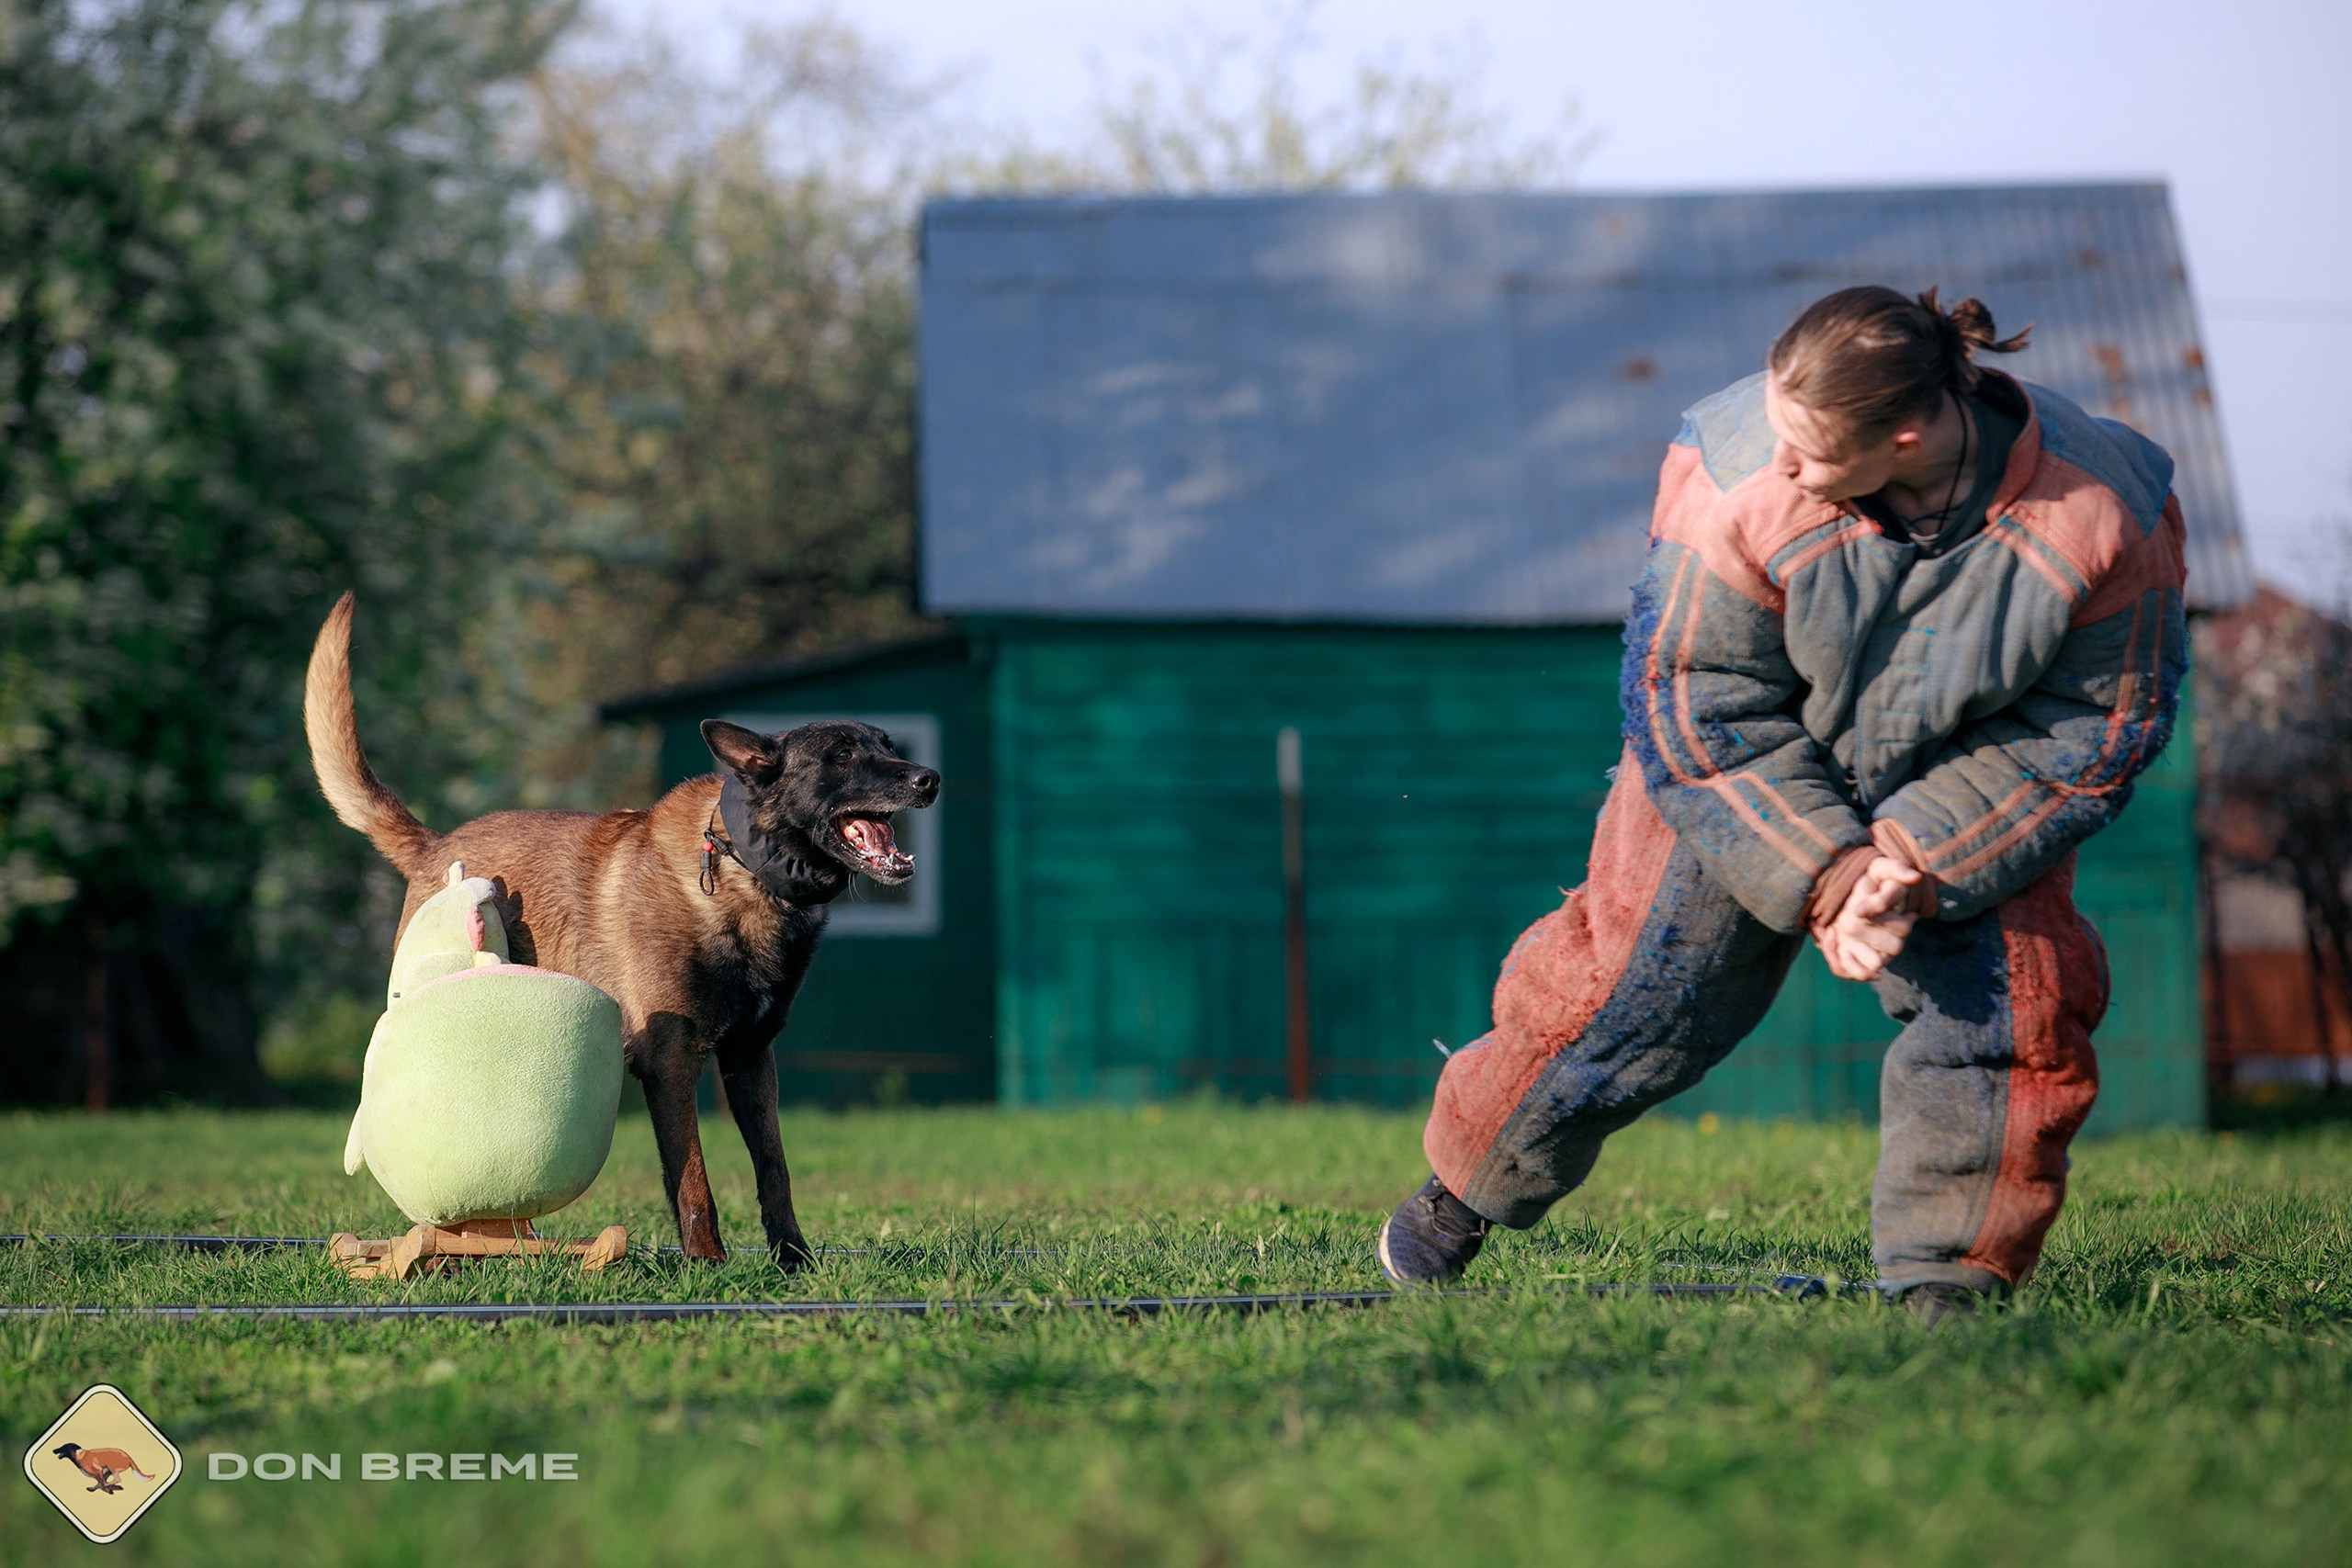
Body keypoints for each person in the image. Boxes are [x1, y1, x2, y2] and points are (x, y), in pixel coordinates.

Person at [1376, 286, 2188, 1322]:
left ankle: (1945, 1281)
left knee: (2014, 1010)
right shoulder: (1731, 475)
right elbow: (1692, 695)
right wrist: (1829, 871)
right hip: (1745, 762)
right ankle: (1467, 1189)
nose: (1782, 465)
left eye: (1805, 453)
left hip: (1968, 781)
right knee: (1628, 997)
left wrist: (1911, 858)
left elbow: (2096, 729)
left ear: (1904, 434)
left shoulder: (2105, 507)